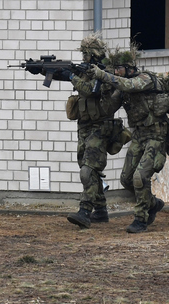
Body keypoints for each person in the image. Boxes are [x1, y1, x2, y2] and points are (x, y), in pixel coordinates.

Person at [89, 45, 167, 233]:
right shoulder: (121, 87)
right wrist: (103, 88)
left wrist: (104, 76)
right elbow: (107, 109)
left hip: (156, 135)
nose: (117, 72)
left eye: (120, 69)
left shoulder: (145, 79)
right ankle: (153, 204)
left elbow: (129, 85)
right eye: (114, 69)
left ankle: (141, 218)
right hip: (139, 135)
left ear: (131, 68)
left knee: (140, 176)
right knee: (126, 179)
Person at [61, 33, 127, 229]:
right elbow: (68, 77)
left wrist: (71, 76)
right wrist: (44, 71)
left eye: (86, 54)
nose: (84, 58)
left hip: (100, 127)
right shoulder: (85, 70)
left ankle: (85, 211)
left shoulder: (104, 72)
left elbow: (92, 90)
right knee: (86, 165)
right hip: (84, 125)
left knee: (88, 170)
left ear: (93, 54)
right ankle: (100, 210)